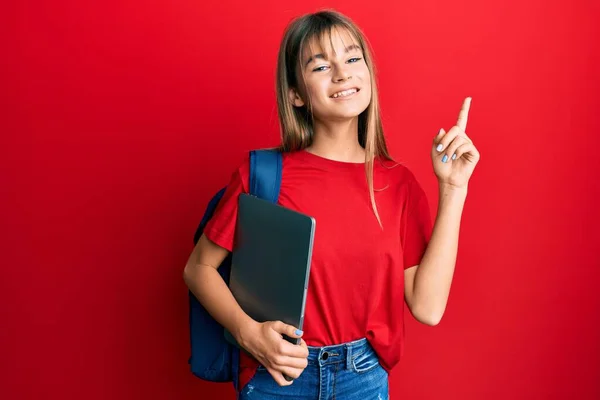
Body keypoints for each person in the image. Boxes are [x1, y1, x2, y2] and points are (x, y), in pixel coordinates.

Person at [183, 9, 480, 400]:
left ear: (369, 74)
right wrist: (249, 334)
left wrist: (454, 189)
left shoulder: (398, 184)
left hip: (364, 378)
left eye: (353, 59)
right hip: (279, 376)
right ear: (295, 94)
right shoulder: (264, 174)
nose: (342, 74)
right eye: (321, 66)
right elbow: (198, 268)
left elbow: (427, 307)